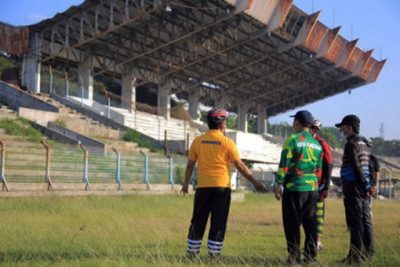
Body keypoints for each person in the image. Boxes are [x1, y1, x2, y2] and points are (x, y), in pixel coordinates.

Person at [181, 108, 267, 258]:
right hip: (222, 188)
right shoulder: (227, 142)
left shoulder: (198, 141)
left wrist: (185, 184)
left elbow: (190, 165)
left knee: (198, 220)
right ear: (222, 124)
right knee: (218, 221)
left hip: (203, 188)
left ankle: (192, 253)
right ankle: (214, 255)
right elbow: (240, 166)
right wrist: (255, 182)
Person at [274, 110, 323, 264]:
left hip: (294, 188)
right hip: (312, 189)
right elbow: (319, 170)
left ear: (297, 122)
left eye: (294, 121)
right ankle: (311, 258)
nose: (292, 124)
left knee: (292, 223)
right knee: (311, 224)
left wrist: (279, 183)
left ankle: (294, 258)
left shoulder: (293, 139)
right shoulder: (317, 144)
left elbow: (284, 164)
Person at [335, 115, 377, 263]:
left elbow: (356, 165)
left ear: (350, 127)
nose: (342, 130)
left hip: (354, 186)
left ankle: (354, 257)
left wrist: (366, 184)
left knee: (355, 222)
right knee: (366, 220)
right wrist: (370, 185)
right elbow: (370, 167)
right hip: (363, 187)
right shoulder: (364, 144)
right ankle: (369, 253)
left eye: (343, 127)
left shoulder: (351, 143)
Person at [309, 119, 333, 251]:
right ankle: (310, 240)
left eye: (315, 128)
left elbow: (329, 164)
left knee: (318, 213)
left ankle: (317, 241)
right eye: (311, 127)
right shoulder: (306, 142)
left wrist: (327, 186)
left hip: (319, 186)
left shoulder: (322, 144)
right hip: (306, 185)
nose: (313, 130)